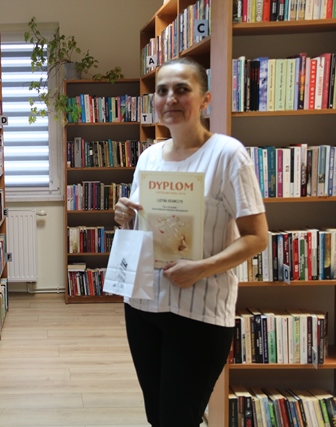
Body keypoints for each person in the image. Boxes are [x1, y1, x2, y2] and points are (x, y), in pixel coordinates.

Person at [114, 57, 268, 427]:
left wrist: (200, 268)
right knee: (158, 416)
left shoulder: (228, 155)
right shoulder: (149, 156)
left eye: (182, 89)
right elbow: (142, 226)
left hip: (199, 312)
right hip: (143, 306)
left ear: (204, 99)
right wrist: (123, 215)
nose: (170, 98)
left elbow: (257, 237)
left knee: (178, 418)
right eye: (162, 91)